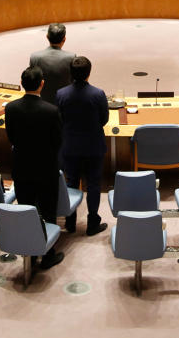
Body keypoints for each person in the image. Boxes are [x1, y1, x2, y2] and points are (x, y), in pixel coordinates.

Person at [5, 66, 65, 270]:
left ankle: (28, 252)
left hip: (21, 166)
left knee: (26, 208)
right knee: (48, 211)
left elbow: (11, 137)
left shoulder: (11, 108)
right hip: (46, 168)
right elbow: (57, 141)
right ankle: (48, 254)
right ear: (42, 84)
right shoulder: (51, 111)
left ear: (22, 84)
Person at [57, 56, 109, 235]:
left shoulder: (61, 94)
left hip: (70, 146)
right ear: (89, 73)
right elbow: (104, 120)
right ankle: (92, 223)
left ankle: (70, 222)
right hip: (93, 147)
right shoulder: (98, 94)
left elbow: (60, 119)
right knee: (93, 184)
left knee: (71, 183)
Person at [29, 23, 75, 105]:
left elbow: (32, 84)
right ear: (64, 39)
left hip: (42, 105)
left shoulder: (34, 57)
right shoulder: (71, 57)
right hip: (65, 104)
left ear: (47, 37)